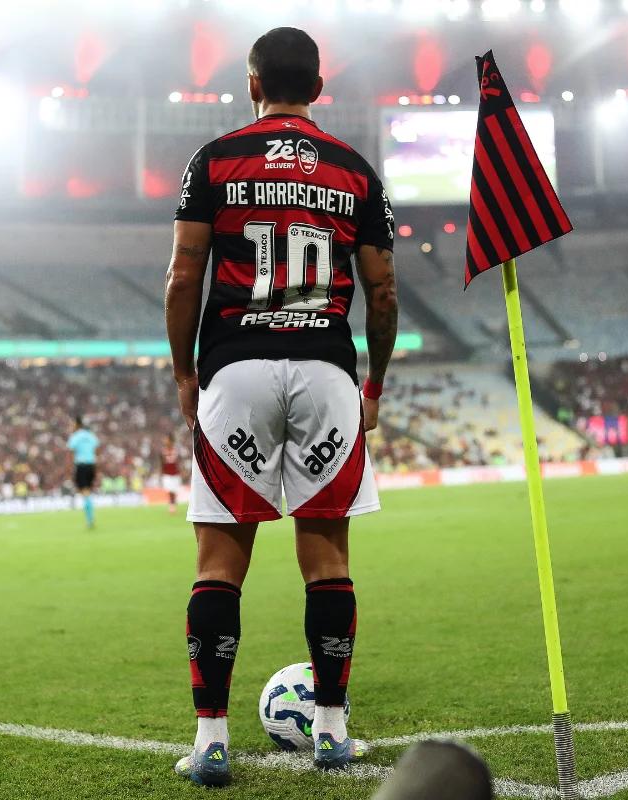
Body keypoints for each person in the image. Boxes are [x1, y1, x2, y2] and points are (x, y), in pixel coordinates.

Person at [165, 26, 398, 786]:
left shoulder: (215, 160)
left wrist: (183, 373)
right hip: (328, 369)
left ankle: (211, 743)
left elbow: (183, 275)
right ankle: (332, 730)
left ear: (253, 83)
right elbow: (383, 290)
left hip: (236, 366)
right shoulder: (356, 170)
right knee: (326, 558)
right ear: (318, 90)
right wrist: (376, 383)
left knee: (219, 563)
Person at [67, 416, 99, 529]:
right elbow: (96, 448)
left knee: (85, 493)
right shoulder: (90, 435)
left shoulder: (75, 436)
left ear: (77, 424)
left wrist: (70, 468)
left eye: (72, 424)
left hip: (81, 466)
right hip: (92, 465)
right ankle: (90, 518)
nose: (71, 426)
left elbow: (71, 450)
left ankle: (90, 519)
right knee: (88, 492)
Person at [161, 436, 182, 513]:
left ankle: (173, 505)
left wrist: (181, 471)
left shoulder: (176, 450)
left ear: (171, 441)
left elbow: (179, 461)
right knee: (170, 490)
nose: (165, 441)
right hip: (167, 474)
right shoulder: (163, 451)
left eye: (167, 440)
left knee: (174, 491)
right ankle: (172, 506)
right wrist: (161, 473)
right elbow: (162, 463)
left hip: (175, 474)